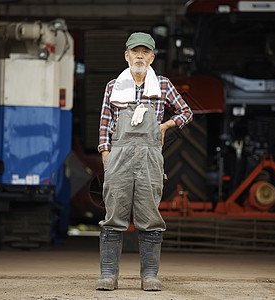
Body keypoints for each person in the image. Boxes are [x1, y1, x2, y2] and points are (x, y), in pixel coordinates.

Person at [96, 32, 193, 291]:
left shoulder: (162, 85)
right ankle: (108, 275)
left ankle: (149, 275)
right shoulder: (112, 87)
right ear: (126, 55)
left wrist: (165, 126)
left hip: (150, 156)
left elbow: (186, 112)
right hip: (119, 155)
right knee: (114, 215)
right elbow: (105, 125)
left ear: (152, 57)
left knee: (150, 216)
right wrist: (107, 155)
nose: (140, 56)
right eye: (135, 51)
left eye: (145, 51)